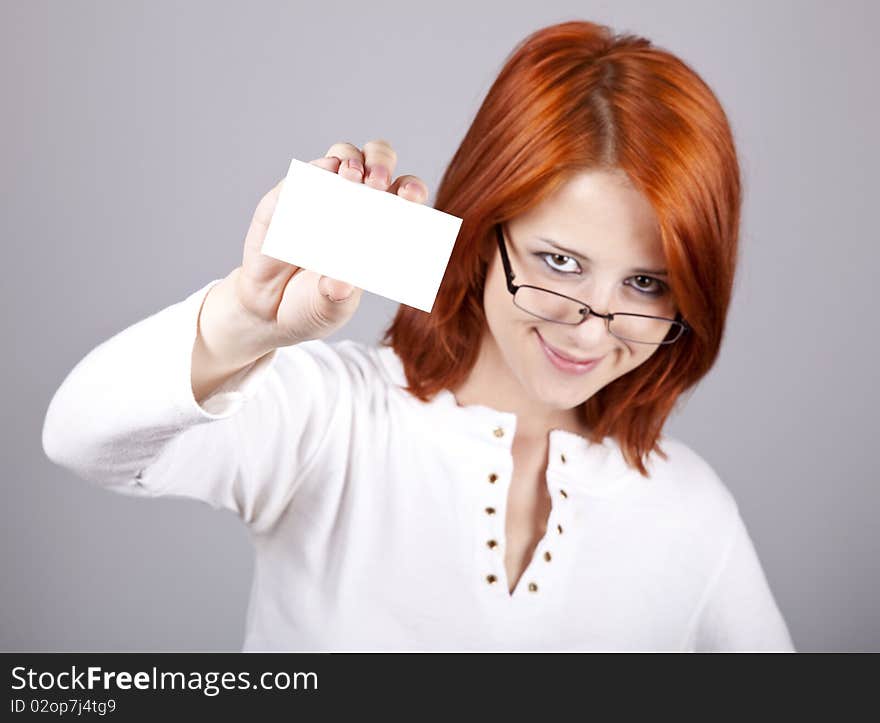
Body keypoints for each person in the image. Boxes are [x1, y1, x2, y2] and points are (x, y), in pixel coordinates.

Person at [41, 20, 795, 652]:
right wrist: (246, 315)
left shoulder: (689, 508)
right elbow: (81, 436)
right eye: (559, 262)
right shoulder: (333, 420)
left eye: (646, 283)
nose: (591, 325)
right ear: (482, 226)